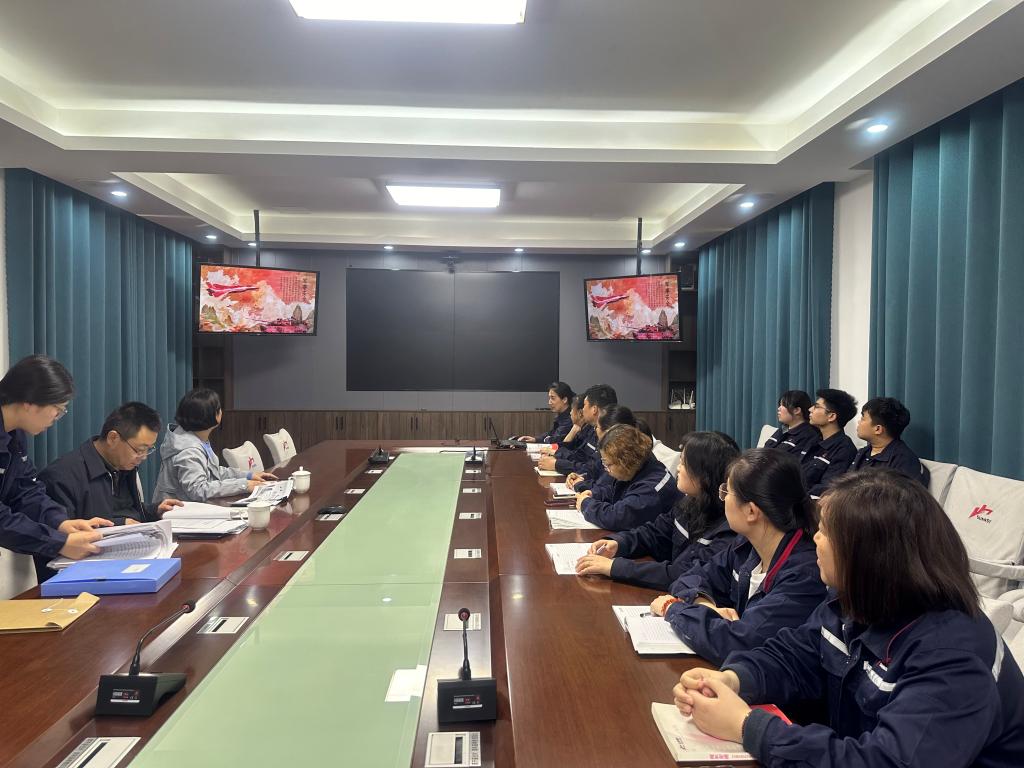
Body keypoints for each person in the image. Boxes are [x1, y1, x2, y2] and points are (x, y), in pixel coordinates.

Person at [672, 469, 1024, 767]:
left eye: (825, 531)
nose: (815, 539)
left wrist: (746, 726)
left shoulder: (953, 656)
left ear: (869, 555)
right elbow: (795, 655)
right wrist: (734, 679)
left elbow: (887, 761)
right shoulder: (854, 600)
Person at [648, 449, 826, 666]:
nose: (722, 499)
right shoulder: (746, 544)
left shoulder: (804, 574)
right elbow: (689, 578)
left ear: (751, 511)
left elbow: (740, 642)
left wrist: (672, 608)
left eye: (727, 492)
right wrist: (704, 603)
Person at [575, 431, 739, 590]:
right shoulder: (689, 502)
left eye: (683, 463)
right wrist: (619, 543)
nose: (678, 468)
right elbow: (655, 532)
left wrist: (615, 567)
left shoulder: (729, 528)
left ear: (704, 474)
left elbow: (685, 573)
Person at [0, 355, 111, 563]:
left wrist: (60, 522)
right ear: (29, 402)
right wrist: (58, 543)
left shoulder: (15, 435)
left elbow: (25, 490)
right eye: (57, 410)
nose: (56, 418)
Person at [40, 402, 184, 525]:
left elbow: (123, 511)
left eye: (149, 449)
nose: (144, 457)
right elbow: (62, 532)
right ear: (113, 438)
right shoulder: (62, 476)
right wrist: (120, 525)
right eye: (140, 450)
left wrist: (154, 511)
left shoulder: (123, 466)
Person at [153, 388, 277, 502]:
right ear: (215, 415)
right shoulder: (189, 450)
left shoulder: (195, 437)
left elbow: (214, 472)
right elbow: (198, 489)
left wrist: (248, 475)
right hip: (177, 513)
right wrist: (243, 485)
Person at [574, 424, 680, 531]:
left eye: (608, 464)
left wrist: (586, 504)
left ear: (625, 461)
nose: (606, 469)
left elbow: (617, 518)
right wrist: (595, 494)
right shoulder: (640, 467)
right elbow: (619, 491)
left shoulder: (651, 488)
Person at [545, 383, 616, 486]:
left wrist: (557, 464)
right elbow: (581, 456)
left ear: (594, 409)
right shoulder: (593, 429)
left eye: (585, 405)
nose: (582, 410)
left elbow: (593, 469)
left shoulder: (612, 436)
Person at [851, 397, 929, 485]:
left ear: (878, 429)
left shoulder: (904, 461)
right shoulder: (863, 452)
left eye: (863, 418)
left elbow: (904, 493)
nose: (859, 422)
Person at [802, 388, 858, 497]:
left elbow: (827, 489)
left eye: (816, 406)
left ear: (831, 416)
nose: (810, 409)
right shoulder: (814, 440)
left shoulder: (844, 449)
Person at [764, 390, 820, 459]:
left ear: (797, 410)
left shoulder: (809, 435)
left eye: (783, 405)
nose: (779, 409)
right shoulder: (784, 429)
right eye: (780, 405)